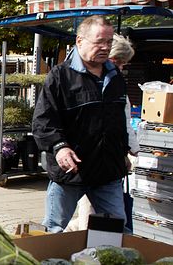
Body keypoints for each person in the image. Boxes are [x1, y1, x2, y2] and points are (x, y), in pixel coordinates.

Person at [33, 16, 129, 233]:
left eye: (109, 42)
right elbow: (43, 121)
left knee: (114, 231)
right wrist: (59, 147)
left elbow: (118, 121)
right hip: (71, 173)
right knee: (53, 229)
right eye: (99, 42)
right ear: (80, 41)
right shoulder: (60, 76)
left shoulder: (116, 78)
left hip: (108, 173)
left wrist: (123, 151)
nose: (105, 47)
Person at [66, 32, 139, 232]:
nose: (122, 68)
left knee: (100, 219)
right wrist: (135, 150)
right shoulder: (82, 80)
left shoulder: (111, 83)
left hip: (98, 164)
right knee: (92, 220)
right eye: (121, 63)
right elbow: (123, 123)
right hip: (85, 164)